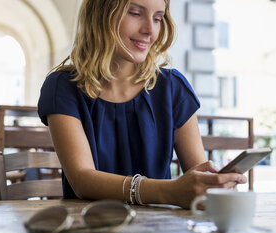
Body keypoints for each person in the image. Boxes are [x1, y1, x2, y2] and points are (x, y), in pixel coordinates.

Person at [38, 0, 246, 209]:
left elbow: (199, 179)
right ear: (101, 13)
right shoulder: (63, 87)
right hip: (90, 231)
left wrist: (214, 186)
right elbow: (83, 180)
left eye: (157, 18)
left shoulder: (172, 87)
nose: (149, 30)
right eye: (136, 13)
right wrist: (170, 192)